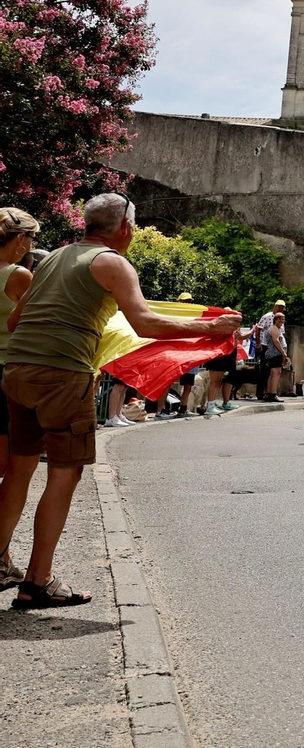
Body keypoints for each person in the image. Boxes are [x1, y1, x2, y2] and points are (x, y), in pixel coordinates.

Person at [0, 194, 240, 608]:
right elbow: (144, 322)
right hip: (62, 374)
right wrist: (211, 326)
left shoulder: (53, 258)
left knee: (19, 469)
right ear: (126, 228)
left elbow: (15, 321)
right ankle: (37, 581)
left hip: (17, 372)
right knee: (64, 473)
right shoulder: (113, 262)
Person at [0, 208, 40, 591]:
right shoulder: (18, 275)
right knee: (17, 470)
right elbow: (32, 322)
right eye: (29, 239)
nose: (30, 247)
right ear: (17, 240)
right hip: (8, 375)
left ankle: (5, 560)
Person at [254, 299, 288, 400]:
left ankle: (269, 392)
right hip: (270, 348)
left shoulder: (279, 325)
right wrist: (258, 342)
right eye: (279, 307)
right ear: (275, 306)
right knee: (268, 371)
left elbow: (281, 337)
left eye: (282, 308)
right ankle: (266, 393)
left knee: (272, 372)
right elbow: (259, 328)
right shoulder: (268, 318)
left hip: (275, 349)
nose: (281, 309)